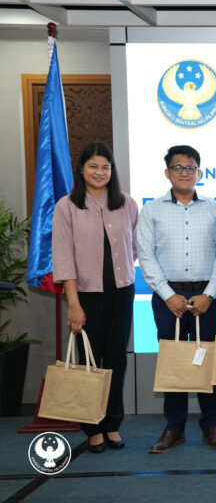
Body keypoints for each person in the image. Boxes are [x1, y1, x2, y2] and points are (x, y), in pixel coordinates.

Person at [137, 145, 216, 453]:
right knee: (173, 363)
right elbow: (146, 256)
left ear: (199, 173)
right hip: (168, 299)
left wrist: (209, 294)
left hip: (206, 298)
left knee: (208, 362)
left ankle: (212, 425)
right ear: (167, 173)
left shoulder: (215, 209)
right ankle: (174, 428)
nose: (184, 172)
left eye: (190, 167)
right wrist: (168, 294)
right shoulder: (152, 210)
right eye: (178, 167)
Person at [52, 142, 138, 453]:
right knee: (88, 362)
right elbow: (63, 259)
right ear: (81, 170)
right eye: (93, 166)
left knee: (116, 360)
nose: (99, 172)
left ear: (112, 171)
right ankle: (92, 428)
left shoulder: (127, 204)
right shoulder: (66, 206)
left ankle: (112, 424)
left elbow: (133, 247)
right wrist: (73, 305)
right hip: (86, 296)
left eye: (105, 167)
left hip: (121, 294)